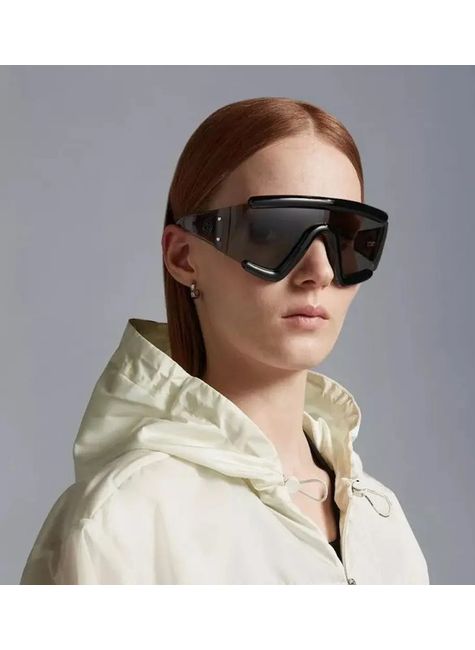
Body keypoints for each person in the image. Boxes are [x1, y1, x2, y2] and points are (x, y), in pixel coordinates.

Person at [20, 96, 429, 585]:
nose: (319, 271)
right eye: (274, 232)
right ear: (184, 256)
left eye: (347, 239)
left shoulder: (383, 521)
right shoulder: (124, 522)